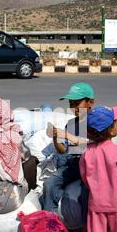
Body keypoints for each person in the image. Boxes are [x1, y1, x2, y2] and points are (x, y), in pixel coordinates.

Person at [40, 82, 94, 213]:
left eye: (77, 103)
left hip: (91, 167)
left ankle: (87, 227)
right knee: (49, 184)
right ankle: (50, 220)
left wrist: (67, 135)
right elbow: (62, 150)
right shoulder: (71, 124)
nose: (73, 108)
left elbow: (92, 147)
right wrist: (55, 138)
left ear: (90, 102)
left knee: (88, 194)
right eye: (71, 104)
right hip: (72, 165)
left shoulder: (96, 122)